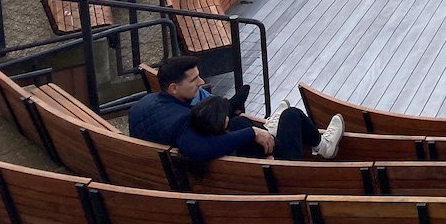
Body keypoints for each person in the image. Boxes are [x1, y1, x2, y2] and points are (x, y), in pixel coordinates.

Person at [128, 56, 343, 162]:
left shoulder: (139, 107)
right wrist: (251, 132)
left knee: (239, 122)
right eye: (194, 80)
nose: (201, 81)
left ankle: (269, 129)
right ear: (174, 88)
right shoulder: (184, 122)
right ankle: (323, 146)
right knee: (292, 115)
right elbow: (200, 148)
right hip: (278, 174)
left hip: (232, 172)